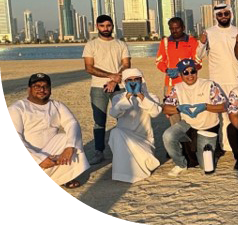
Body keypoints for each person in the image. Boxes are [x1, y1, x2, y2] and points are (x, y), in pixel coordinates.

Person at [10, 73, 89, 188]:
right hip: (29, 156)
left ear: (50, 90)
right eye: (37, 86)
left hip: (51, 153)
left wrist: (69, 147)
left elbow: (72, 123)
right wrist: (39, 159)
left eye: (45, 86)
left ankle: (64, 177)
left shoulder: (56, 105)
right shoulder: (17, 108)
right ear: (29, 89)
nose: (42, 90)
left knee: (68, 138)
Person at [162, 59, 228, 176]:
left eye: (193, 71)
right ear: (181, 75)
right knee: (168, 136)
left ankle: (213, 152)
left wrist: (205, 106)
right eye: (185, 73)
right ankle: (180, 164)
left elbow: (223, 106)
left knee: (205, 167)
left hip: (207, 127)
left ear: (196, 71)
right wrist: (179, 108)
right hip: (187, 125)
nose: (190, 75)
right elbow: (166, 108)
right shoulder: (177, 88)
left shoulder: (209, 85)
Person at [83, 14, 131, 165]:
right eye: (102, 26)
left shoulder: (120, 44)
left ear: (112, 26)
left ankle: (124, 149)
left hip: (119, 86)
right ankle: (99, 152)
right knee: (99, 121)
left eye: (108, 26)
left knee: (122, 118)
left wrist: (114, 80)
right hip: (98, 87)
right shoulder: (91, 45)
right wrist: (111, 76)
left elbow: (126, 64)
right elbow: (89, 67)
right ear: (97, 27)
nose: (106, 29)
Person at [198, 3, 238, 152]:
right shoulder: (209, 32)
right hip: (217, 80)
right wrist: (201, 42)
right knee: (221, 114)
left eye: (226, 14)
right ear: (216, 16)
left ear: (230, 14)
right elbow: (199, 56)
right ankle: (224, 145)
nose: (223, 17)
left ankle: (236, 143)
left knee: (237, 112)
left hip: (236, 78)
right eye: (220, 14)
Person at [108, 68, 162, 183]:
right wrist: (128, 96)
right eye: (129, 80)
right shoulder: (118, 98)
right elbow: (114, 113)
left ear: (141, 80)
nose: (133, 82)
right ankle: (122, 174)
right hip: (123, 138)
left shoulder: (151, 97)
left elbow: (155, 112)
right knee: (115, 133)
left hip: (143, 139)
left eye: (136, 79)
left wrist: (140, 96)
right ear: (124, 83)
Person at [155, 17, 202, 98]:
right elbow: (159, 62)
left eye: (177, 28)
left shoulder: (192, 41)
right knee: (169, 108)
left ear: (183, 28)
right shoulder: (165, 42)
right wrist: (166, 70)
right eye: (172, 28)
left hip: (189, 83)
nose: (174, 31)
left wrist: (182, 71)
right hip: (170, 84)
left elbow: (198, 63)